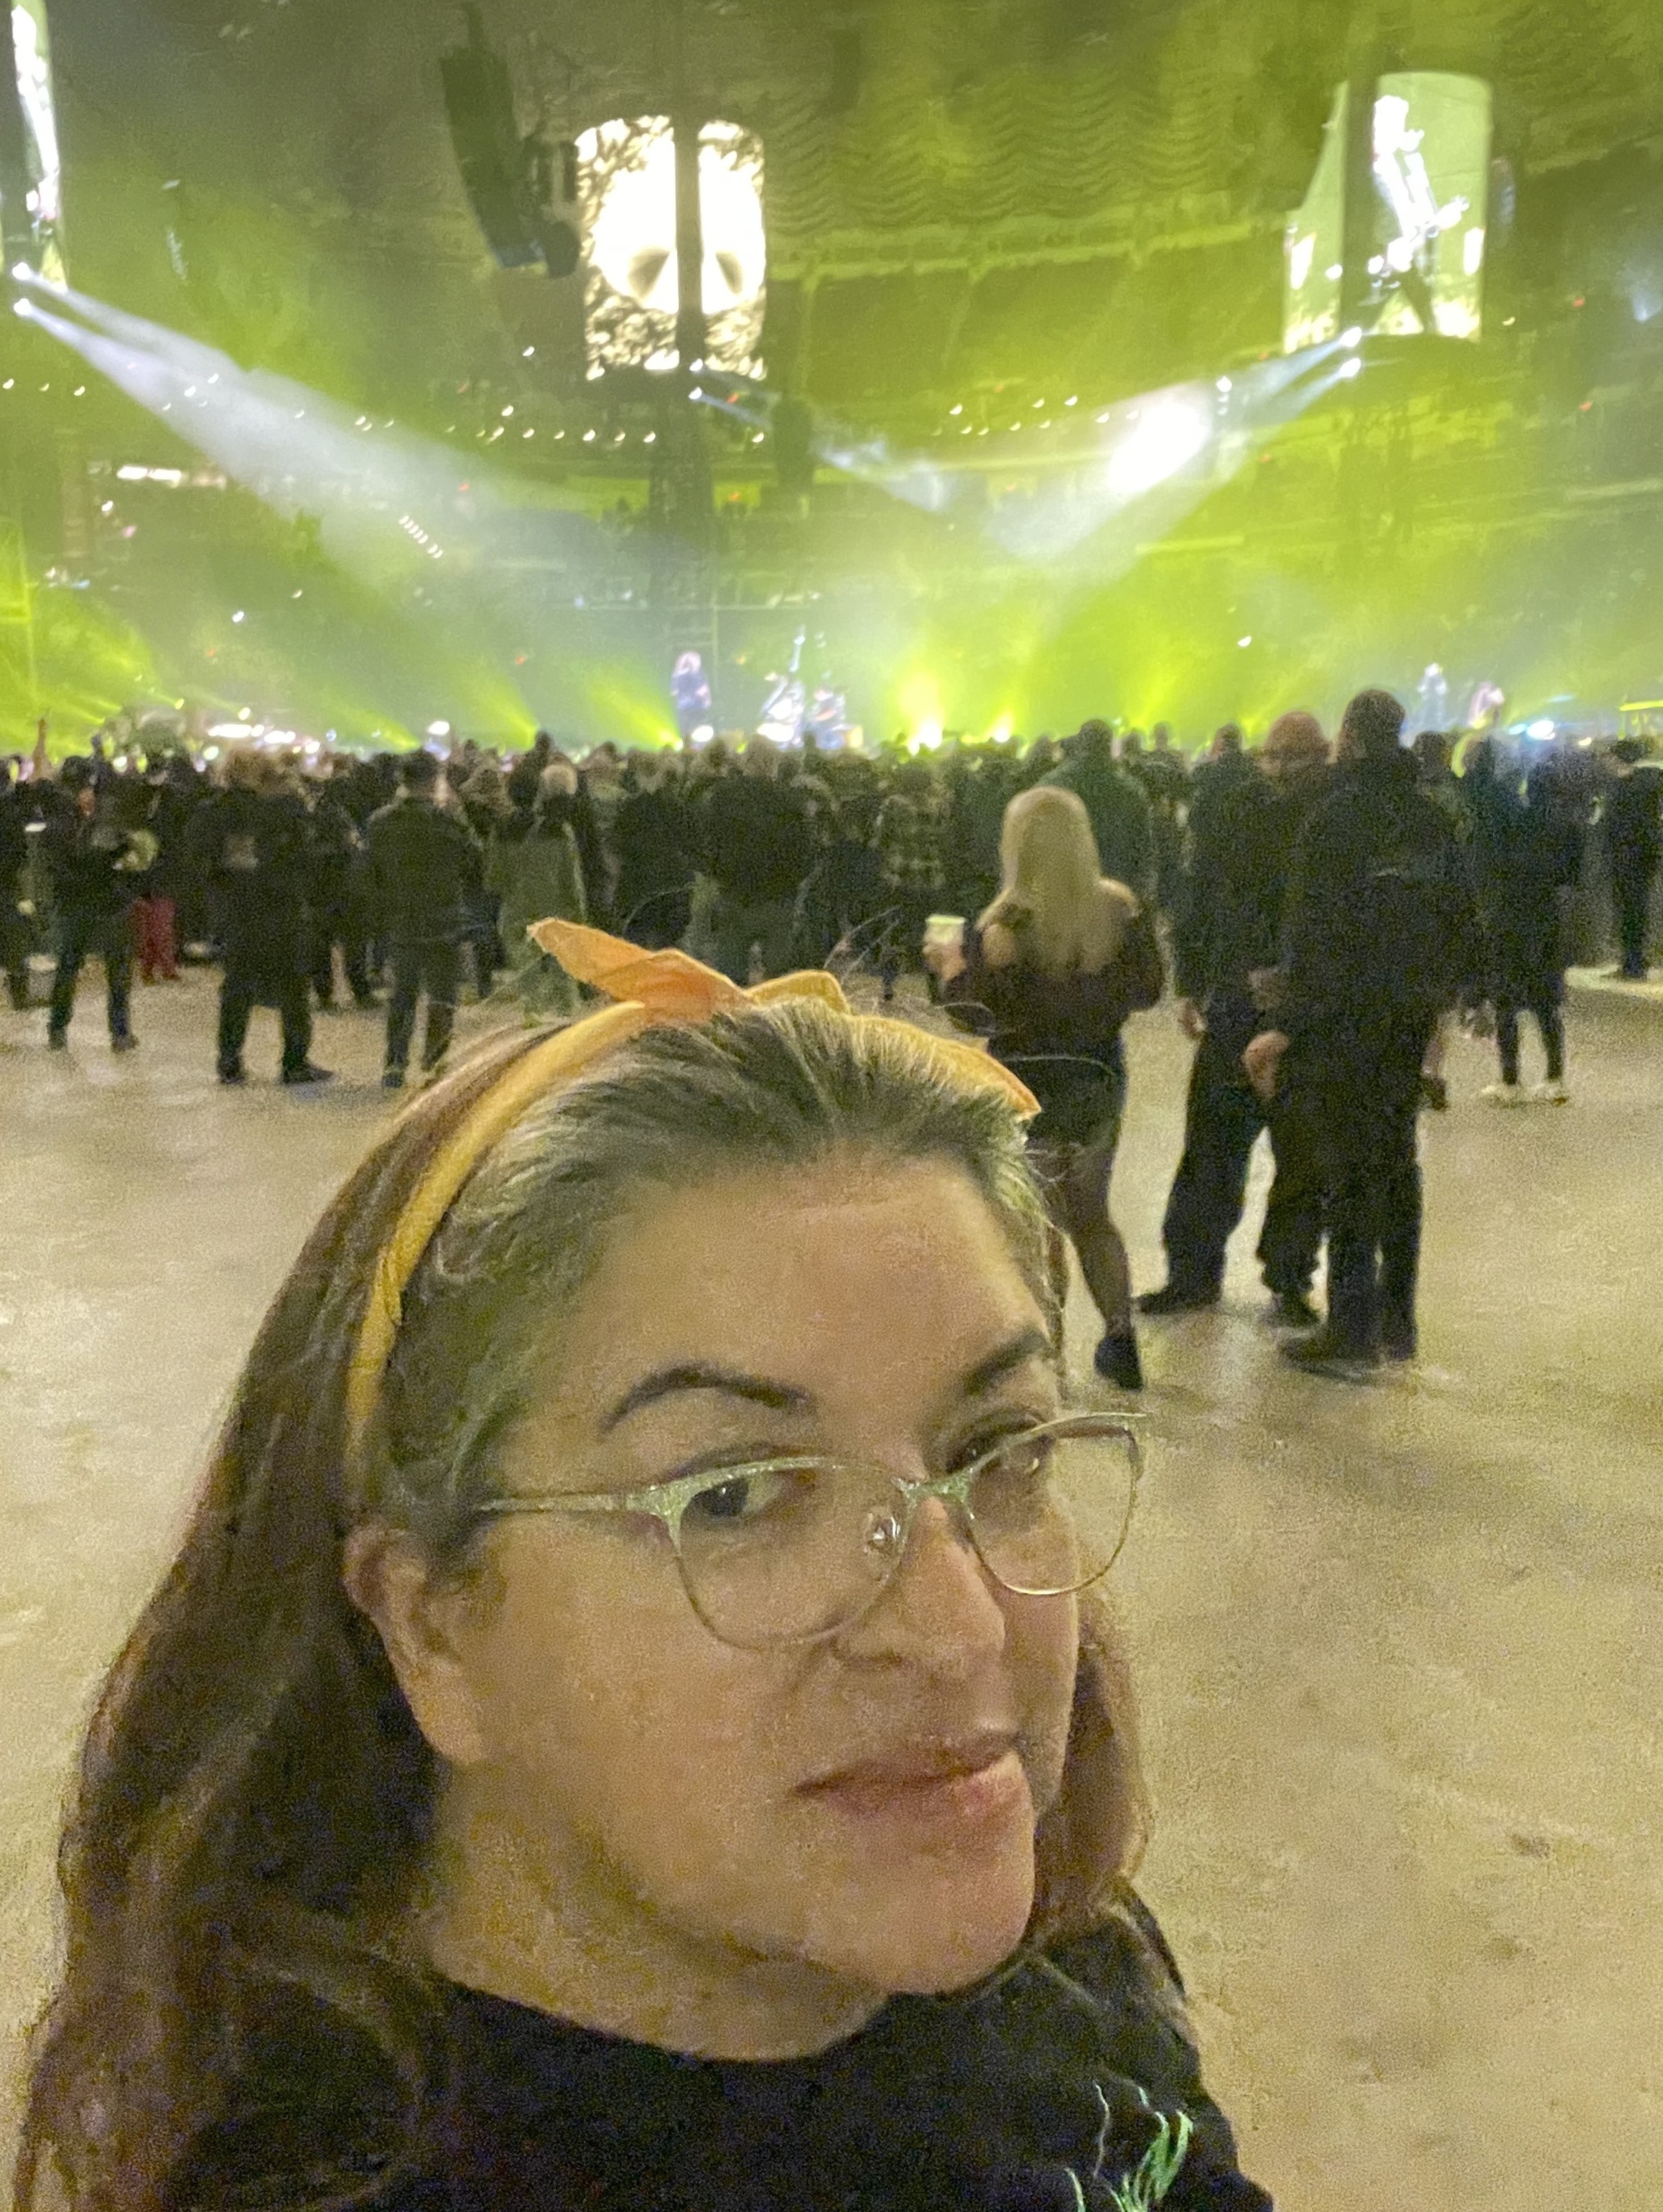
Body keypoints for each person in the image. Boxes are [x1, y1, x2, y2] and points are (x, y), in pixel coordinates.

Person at [17, 924, 1270, 2212]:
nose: (959, 1631)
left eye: (999, 1447)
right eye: (735, 1497)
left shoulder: (1063, 1968)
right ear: (433, 1624)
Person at [1244, 690, 1476, 1379]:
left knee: (1348, 1168)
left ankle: (1350, 1325)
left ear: (1348, 737)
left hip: (1344, 1018)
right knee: (1398, 1164)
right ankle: (1398, 1318)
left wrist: (1289, 1022)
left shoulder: (1337, 817)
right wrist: (1446, 998)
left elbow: (1313, 929)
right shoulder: (1429, 817)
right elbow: (1460, 913)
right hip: (1406, 1013)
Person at [936, 787, 1165, 1391]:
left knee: (1040, 1227)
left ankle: (1051, 1360)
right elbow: (1147, 991)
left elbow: (975, 1017)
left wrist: (953, 971)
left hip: (1026, 1086)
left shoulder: (1002, 928)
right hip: (1098, 1079)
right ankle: (1121, 1341)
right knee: (1092, 1216)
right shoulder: (1119, 910)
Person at [1140, 712, 1330, 1328]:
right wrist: (1192, 982)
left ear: (1323, 755)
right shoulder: (1239, 809)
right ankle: (1192, 1272)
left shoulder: (1333, 819)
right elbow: (1203, 897)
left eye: (1293, 757)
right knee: (1211, 1147)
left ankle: (1288, 1277)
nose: (1280, 770)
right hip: (1233, 1003)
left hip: (1302, 1014)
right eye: (1272, 756)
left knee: (1300, 1156)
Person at [187, 753, 332, 1087]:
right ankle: (295, 1062)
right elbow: (306, 856)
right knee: (293, 987)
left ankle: (229, 1061)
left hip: (237, 910)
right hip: (281, 908)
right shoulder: (283, 808)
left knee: (237, 987)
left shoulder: (213, 811)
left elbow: (198, 859)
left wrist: (220, 890)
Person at [360, 750, 484, 1091]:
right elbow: (474, 859)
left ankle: (395, 1062)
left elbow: (368, 872)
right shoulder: (447, 821)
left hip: (402, 917)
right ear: (434, 780)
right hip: (444, 917)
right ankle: (435, 1059)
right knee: (442, 994)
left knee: (403, 994)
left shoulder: (381, 822)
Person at [1463, 743, 1579, 1105]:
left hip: (1508, 915)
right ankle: (1555, 1077)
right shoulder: (1561, 823)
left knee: (1506, 1002)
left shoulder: (1507, 820)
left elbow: (1492, 864)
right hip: (1545, 917)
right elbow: (1568, 876)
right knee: (1546, 1003)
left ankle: (1511, 1081)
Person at [42, 766, 143, 1054]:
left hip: (87, 902)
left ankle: (60, 1029)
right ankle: (117, 1032)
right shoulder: (85, 823)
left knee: (79, 966)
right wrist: (115, 859)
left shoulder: (65, 822)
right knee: (103, 967)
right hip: (97, 902)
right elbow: (97, 861)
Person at [694, 746, 817, 985]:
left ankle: (735, 1007)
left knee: (731, 974)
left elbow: (707, 840)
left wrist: (718, 874)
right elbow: (805, 848)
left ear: (745, 762)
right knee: (777, 978)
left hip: (734, 893)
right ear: (774, 764)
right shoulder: (791, 800)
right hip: (779, 895)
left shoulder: (723, 796)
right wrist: (793, 881)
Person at [486, 760, 589, 1021]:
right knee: (563, 981)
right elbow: (572, 881)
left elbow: (494, 881)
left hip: (517, 914)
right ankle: (565, 1030)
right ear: (539, 793)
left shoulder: (501, 830)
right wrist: (580, 918)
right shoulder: (559, 830)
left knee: (528, 985)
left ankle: (533, 1024)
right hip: (555, 914)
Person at [1040, 721, 1155, 900]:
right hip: (1115, 888)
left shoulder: (1053, 784)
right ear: (1109, 747)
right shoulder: (1131, 790)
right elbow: (1143, 846)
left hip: (1061, 889)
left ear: (1080, 744)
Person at [1603, 738, 1662, 980]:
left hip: (1628, 854)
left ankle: (1633, 963)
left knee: (1630, 909)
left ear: (1620, 759)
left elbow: (1616, 822)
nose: (1606, 762)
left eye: (1610, 757)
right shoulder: (1653, 780)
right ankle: (1635, 960)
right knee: (1637, 908)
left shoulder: (1626, 785)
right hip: (1644, 852)